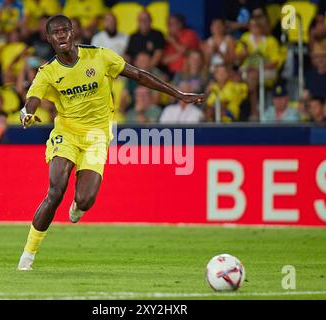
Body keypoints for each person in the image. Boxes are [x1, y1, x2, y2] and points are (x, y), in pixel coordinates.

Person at [17, 15, 205, 271]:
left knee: (85, 200)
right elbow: (32, 100)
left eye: (65, 30)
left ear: (73, 33)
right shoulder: (48, 72)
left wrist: (179, 95)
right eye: (55, 32)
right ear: (49, 39)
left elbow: (139, 75)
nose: (61, 35)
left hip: (97, 135)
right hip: (67, 132)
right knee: (55, 190)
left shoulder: (100, 56)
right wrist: (26, 114)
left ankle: (78, 206)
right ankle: (28, 254)